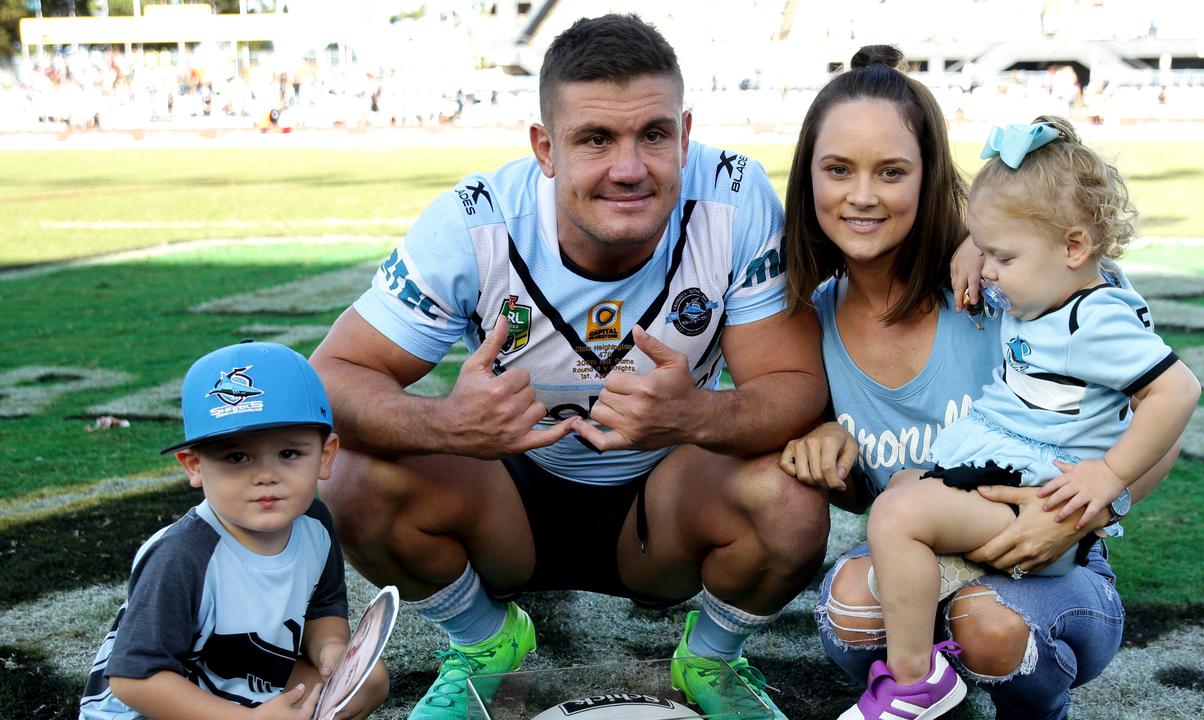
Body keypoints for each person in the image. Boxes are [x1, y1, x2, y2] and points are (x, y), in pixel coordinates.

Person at [309, 13, 828, 720]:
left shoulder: (734, 198)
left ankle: (711, 657)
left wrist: (696, 414)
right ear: (544, 148)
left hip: (664, 504)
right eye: (595, 139)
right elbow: (330, 379)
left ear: (685, 133)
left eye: (653, 134)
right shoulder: (474, 222)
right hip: (508, 496)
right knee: (346, 476)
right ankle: (485, 641)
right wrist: (446, 423)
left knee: (792, 499)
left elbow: (795, 387)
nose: (628, 168)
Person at [778, 46, 1182, 720]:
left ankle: (1027, 707)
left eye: (893, 171)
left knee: (987, 624)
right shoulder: (809, 313)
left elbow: (1158, 415)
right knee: (852, 608)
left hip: (1057, 558)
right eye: (838, 169)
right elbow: (866, 485)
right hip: (938, 540)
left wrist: (1082, 511)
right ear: (807, 177)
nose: (863, 195)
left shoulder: (1010, 285)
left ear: (930, 176)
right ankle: (932, 698)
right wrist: (823, 438)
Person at [79, 341, 389, 720]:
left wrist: (333, 648)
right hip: (155, 705)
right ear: (194, 466)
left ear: (325, 455)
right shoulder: (182, 556)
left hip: (238, 675)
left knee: (369, 680)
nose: (266, 476)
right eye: (237, 457)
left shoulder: (314, 522)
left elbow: (323, 607)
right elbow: (133, 679)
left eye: (289, 454)